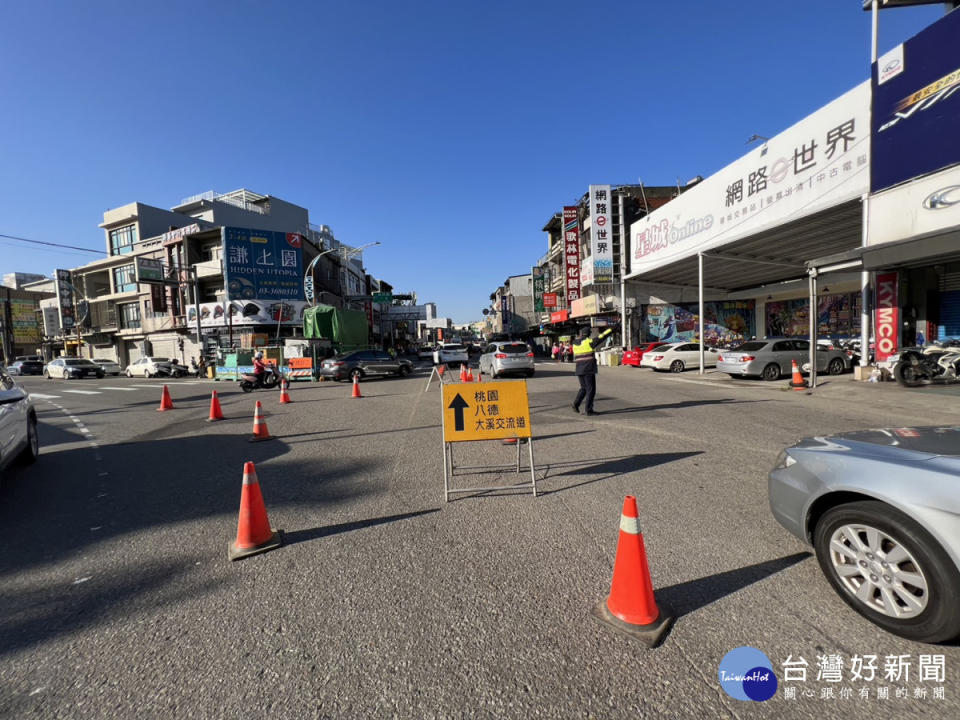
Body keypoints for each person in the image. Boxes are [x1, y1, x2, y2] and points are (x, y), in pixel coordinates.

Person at [572, 325, 614, 416]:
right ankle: (589, 410)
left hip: (579, 369)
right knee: (591, 389)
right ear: (589, 334)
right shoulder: (590, 342)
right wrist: (612, 329)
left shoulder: (574, 343)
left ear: (581, 334)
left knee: (583, 388)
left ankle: (576, 404)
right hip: (588, 369)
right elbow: (602, 336)